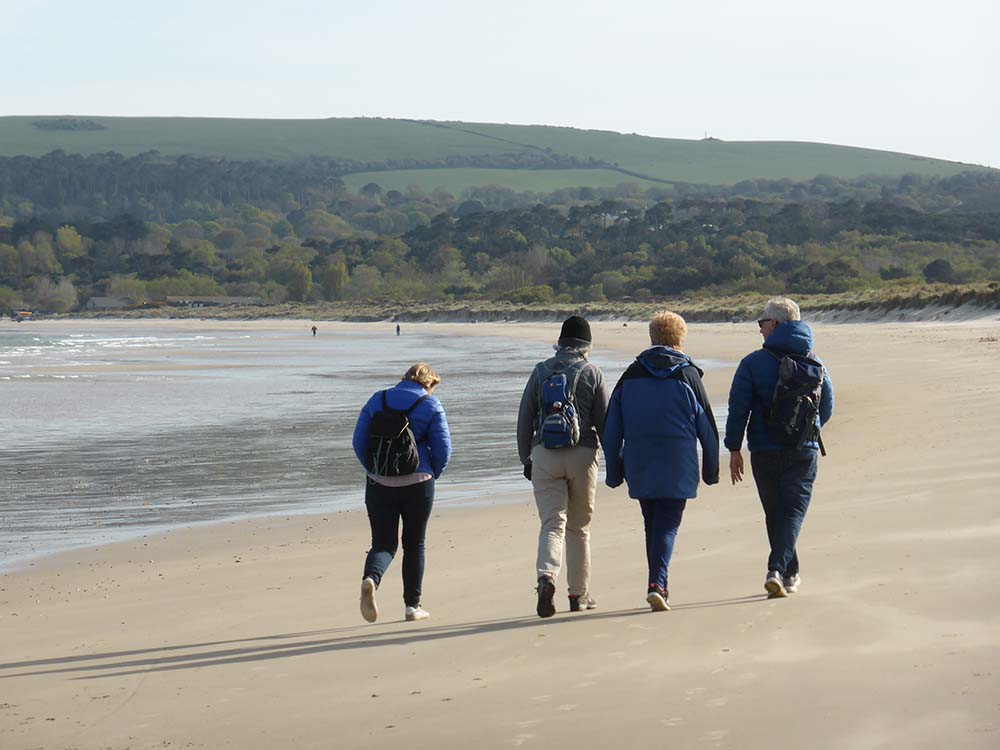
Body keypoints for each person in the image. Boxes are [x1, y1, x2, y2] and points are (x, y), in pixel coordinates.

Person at [603, 311, 719, 611]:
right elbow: (707, 428)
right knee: (666, 525)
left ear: (653, 337)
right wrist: (711, 471)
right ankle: (657, 584)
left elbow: (611, 429)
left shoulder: (630, 375)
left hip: (639, 461)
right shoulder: (689, 375)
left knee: (651, 523)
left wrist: (614, 472)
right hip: (678, 461)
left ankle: (658, 582)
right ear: (680, 337)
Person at [725, 297, 834, 598]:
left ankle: (776, 568)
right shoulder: (815, 361)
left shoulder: (752, 363)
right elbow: (827, 407)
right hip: (804, 451)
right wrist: (805, 432)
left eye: (761, 323)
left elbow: (738, 409)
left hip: (764, 449)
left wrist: (734, 448)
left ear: (774, 325)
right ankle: (790, 572)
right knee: (791, 513)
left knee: (777, 513)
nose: (759, 329)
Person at [517, 315, 609, 618]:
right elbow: (604, 422)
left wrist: (526, 459)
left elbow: (524, 418)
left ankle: (546, 577)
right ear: (587, 345)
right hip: (582, 454)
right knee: (579, 528)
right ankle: (578, 595)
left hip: (545, 453)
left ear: (560, 343)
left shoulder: (541, 370)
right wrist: (616, 462)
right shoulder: (592, 372)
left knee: (552, 524)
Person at [352, 362, 452, 622]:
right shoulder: (431, 405)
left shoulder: (378, 399)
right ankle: (412, 606)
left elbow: (358, 441)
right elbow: (443, 448)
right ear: (428, 383)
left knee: (383, 543)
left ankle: (371, 579)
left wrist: (374, 470)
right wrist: (432, 471)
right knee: (414, 543)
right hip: (418, 483)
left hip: (378, 484)